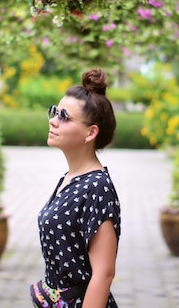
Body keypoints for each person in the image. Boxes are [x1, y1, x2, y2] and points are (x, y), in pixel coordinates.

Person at [34, 68, 121, 308]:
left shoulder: (98, 187)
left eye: (64, 116)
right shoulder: (69, 178)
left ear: (90, 132)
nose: (53, 120)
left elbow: (103, 274)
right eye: (55, 112)